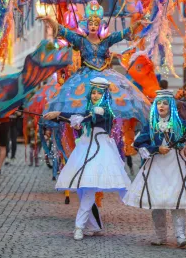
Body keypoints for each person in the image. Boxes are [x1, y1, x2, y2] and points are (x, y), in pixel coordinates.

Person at [44, 77, 131, 241]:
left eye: (99, 93)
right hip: (84, 150)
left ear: (105, 95)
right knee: (83, 191)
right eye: (94, 92)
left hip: (99, 152)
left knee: (89, 189)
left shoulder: (105, 111)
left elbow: (87, 117)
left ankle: (79, 226)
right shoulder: (90, 110)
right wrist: (55, 116)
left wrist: (61, 114)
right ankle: (95, 226)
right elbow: (80, 118)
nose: (95, 95)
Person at [123, 90, 186, 247]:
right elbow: (139, 144)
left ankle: (181, 236)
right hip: (156, 167)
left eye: (165, 103)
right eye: (159, 103)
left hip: (175, 166)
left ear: (170, 106)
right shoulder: (150, 125)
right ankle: (160, 236)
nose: (161, 106)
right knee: (157, 202)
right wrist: (156, 149)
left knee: (177, 200)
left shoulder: (179, 123)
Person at [39, 0, 150, 127]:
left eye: (95, 24)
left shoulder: (106, 41)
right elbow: (64, 31)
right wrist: (50, 20)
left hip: (105, 75)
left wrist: (138, 23)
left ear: (99, 26)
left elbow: (123, 33)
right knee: (83, 104)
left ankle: (107, 127)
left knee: (109, 105)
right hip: (85, 77)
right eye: (90, 23)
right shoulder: (80, 41)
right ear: (87, 25)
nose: (93, 26)